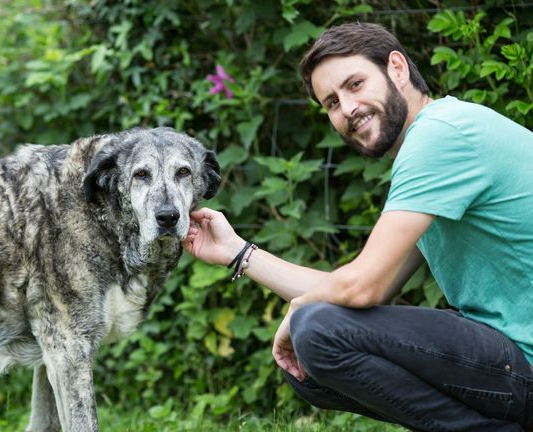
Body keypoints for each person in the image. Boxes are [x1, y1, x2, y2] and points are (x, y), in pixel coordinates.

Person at [183, 22, 533, 431]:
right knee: (308, 367)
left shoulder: (441, 135)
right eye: (331, 102)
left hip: (523, 359)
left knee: (315, 331)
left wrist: (301, 311)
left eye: (355, 84)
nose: (347, 109)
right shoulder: (437, 144)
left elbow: (358, 288)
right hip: (513, 356)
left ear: (397, 69)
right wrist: (238, 253)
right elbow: (367, 291)